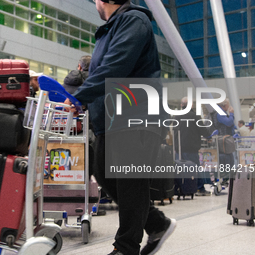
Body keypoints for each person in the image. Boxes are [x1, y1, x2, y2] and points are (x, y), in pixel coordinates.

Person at [65, 1, 176, 254]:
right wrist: (84, 103)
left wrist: (79, 96)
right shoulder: (108, 30)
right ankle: (157, 224)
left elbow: (116, 66)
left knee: (129, 181)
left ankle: (125, 247)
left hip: (135, 117)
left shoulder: (133, 20)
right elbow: (103, 73)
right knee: (104, 174)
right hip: (111, 121)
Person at [174, 97, 211, 196]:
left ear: (182, 105)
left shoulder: (176, 116)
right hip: (191, 148)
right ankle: (199, 188)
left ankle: (180, 188)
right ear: (191, 105)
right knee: (195, 168)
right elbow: (203, 130)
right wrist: (209, 137)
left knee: (179, 169)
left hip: (179, 148)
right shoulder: (195, 116)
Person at [211, 98, 235, 183]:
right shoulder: (220, 113)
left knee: (228, 160)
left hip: (224, 141)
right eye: (228, 105)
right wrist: (231, 114)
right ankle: (224, 178)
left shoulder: (219, 113)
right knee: (226, 160)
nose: (229, 107)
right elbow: (229, 122)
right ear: (224, 105)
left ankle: (226, 178)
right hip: (223, 142)